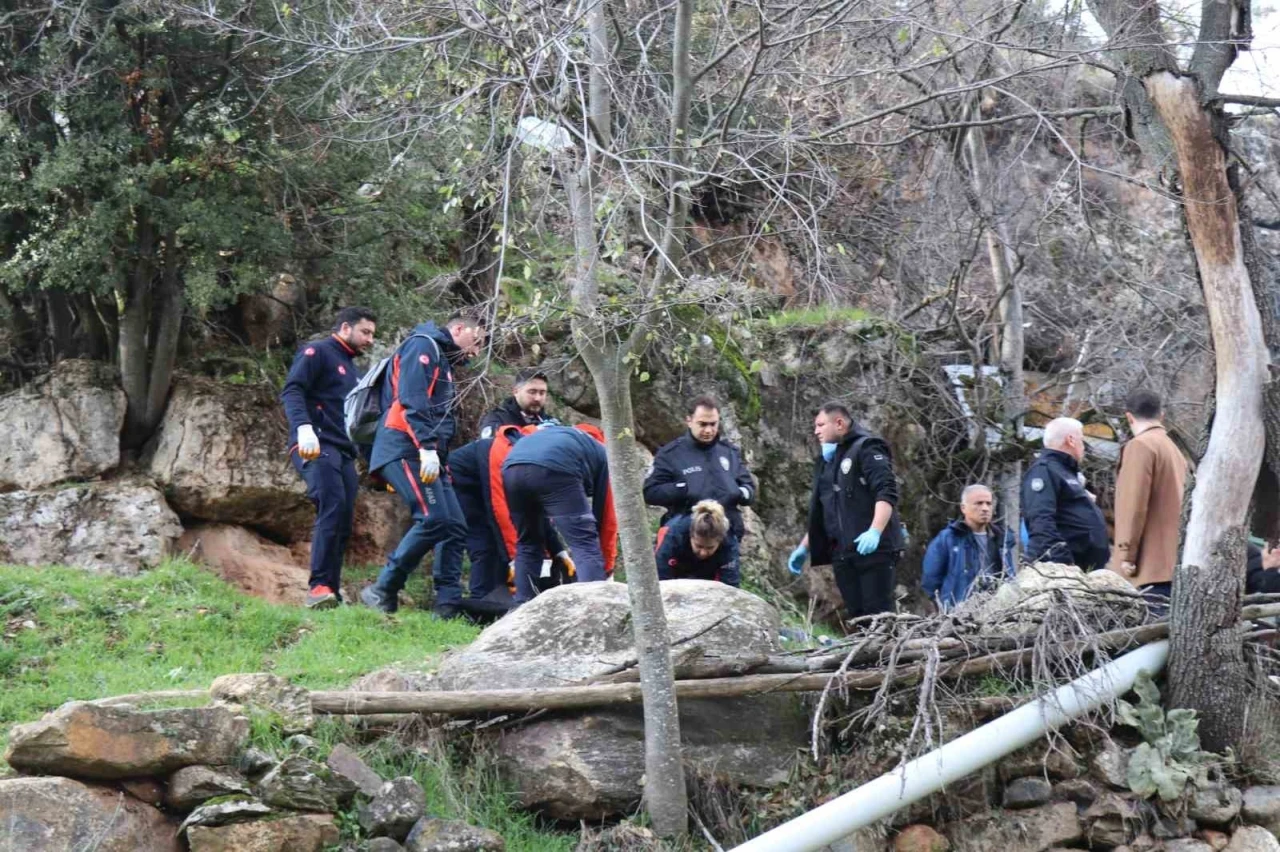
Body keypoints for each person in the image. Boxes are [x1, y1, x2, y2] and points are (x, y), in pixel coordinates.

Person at [360, 314, 487, 617]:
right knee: (434, 519)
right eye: (477, 341)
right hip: (405, 447)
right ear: (459, 329)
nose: (477, 351)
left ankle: (447, 606)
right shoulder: (423, 346)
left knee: (454, 526)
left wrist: (435, 454)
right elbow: (412, 399)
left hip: (425, 453)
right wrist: (427, 448)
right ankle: (382, 589)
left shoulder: (440, 358)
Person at [280, 306, 376, 609]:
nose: (370, 339)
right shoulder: (317, 352)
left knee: (344, 519)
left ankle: (330, 592)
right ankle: (319, 586)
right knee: (331, 507)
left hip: (344, 451)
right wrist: (304, 428)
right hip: (316, 444)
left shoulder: (354, 371)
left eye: (373, 334)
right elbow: (292, 390)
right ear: (345, 328)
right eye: (365, 332)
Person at [788, 403, 904, 621]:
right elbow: (822, 512)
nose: (816, 431)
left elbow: (886, 491)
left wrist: (875, 532)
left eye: (821, 425)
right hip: (843, 554)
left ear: (839, 423)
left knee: (879, 619)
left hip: (874, 552)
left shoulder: (867, 448)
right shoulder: (827, 461)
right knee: (858, 618)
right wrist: (804, 548)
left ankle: (888, 655)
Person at [501, 423, 618, 604]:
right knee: (585, 543)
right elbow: (607, 517)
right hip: (556, 467)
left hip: (512, 466)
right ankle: (594, 607)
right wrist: (607, 568)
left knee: (528, 541)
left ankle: (521, 606)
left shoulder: (556, 436)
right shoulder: (602, 453)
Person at [644, 395, 756, 541]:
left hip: (726, 536)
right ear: (689, 421)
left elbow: (749, 488)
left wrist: (738, 493)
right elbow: (650, 492)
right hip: (686, 536)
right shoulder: (670, 454)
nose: (709, 430)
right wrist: (683, 489)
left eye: (713, 424)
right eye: (703, 424)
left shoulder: (729, 452)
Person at [1110, 390, 1187, 599]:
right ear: (1161, 415)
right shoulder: (1174, 449)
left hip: (1148, 569)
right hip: (1175, 563)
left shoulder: (1140, 446)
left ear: (1129, 417)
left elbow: (1133, 505)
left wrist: (1127, 555)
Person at [1022, 417, 1111, 570]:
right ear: (1071, 440)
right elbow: (1041, 520)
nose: (1083, 447)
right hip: (1062, 569)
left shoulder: (1065, 472)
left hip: (1084, 567)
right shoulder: (1044, 470)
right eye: (1082, 441)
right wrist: (1062, 561)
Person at [921, 484, 1016, 610]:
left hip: (995, 611)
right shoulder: (948, 539)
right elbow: (931, 581)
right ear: (963, 508)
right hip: (958, 614)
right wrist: (946, 606)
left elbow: (1009, 575)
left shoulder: (1001, 538)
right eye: (979, 503)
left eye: (988, 503)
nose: (985, 508)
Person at [655, 500, 741, 586]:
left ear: (720, 541)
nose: (703, 553)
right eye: (698, 546)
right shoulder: (673, 534)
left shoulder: (729, 543)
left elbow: (730, 583)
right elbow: (660, 577)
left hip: (709, 572)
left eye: (710, 548)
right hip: (677, 569)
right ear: (691, 535)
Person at [479, 369, 554, 437]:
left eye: (542, 393)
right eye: (532, 392)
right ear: (516, 391)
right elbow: (492, 448)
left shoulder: (550, 423)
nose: (537, 398)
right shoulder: (497, 420)